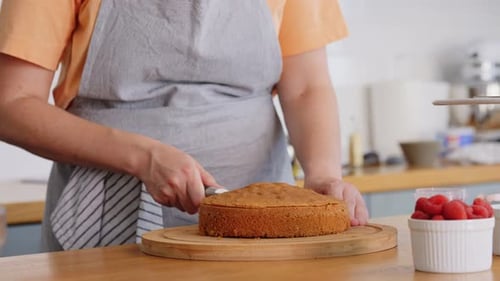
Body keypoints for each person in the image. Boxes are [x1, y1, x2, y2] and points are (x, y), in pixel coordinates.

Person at [0, 0, 369, 252]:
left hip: (262, 225)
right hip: (102, 215)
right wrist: (144, 157)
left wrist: (321, 176)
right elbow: (11, 104)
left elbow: (306, 87)